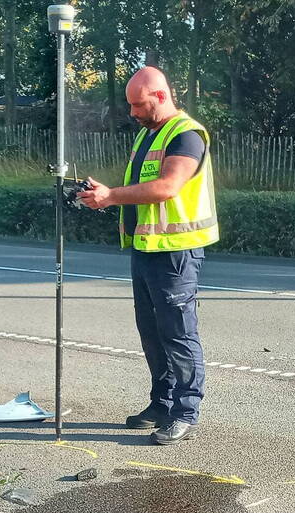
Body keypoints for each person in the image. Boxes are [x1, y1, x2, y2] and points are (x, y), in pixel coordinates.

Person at [78, 67, 218, 445]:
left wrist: (112, 196)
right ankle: (162, 403)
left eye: (138, 105)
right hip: (146, 249)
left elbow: (167, 187)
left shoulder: (186, 135)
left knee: (178, 333)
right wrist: (103, 194)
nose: (132, 113)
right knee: (153, 334)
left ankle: (185, 412)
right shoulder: (148, 134)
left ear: (159, 95)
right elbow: (140, 189)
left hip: (177, 253)